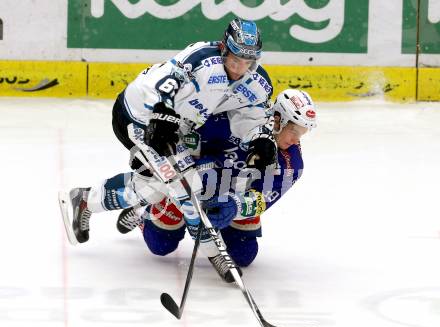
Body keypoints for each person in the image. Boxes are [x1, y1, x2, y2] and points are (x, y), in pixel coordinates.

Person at [61, 18, 277, 245]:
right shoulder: (202, 58)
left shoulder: (257, 83)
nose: (239, 69)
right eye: (234, 60)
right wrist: (162, 112)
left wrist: (261, 138)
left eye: (246, 62)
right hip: (140, 116)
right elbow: (167, 82)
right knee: (183, 184)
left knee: (155, 188)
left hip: (175, 129)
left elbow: (253, 116)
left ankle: (89, 200)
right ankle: (210, 248)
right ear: (224, 48)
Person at [116, 89, 317, 282]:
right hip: (195, 184)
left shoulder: (292, 163)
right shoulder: (235, 117)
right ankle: (146, 211)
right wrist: (196, 177)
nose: (295, 139)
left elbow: (262, 198)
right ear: (277, 119)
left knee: (243, 255)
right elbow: (182, 143)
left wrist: (234, 206)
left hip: (234, 194)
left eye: (302, 132)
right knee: (160, 245)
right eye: (293, 130)